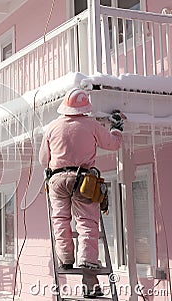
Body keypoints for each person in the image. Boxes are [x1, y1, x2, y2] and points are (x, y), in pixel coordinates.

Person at [38, 88, 123, 298]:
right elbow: (112, 144)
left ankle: (66, 258)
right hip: (83, 180)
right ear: (85, 107)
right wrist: (116, 128)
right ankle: (88, 264)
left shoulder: (52, 127)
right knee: (87, 223)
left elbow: (43, 160)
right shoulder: (91, 124)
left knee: (60, 219)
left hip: (57, 179)